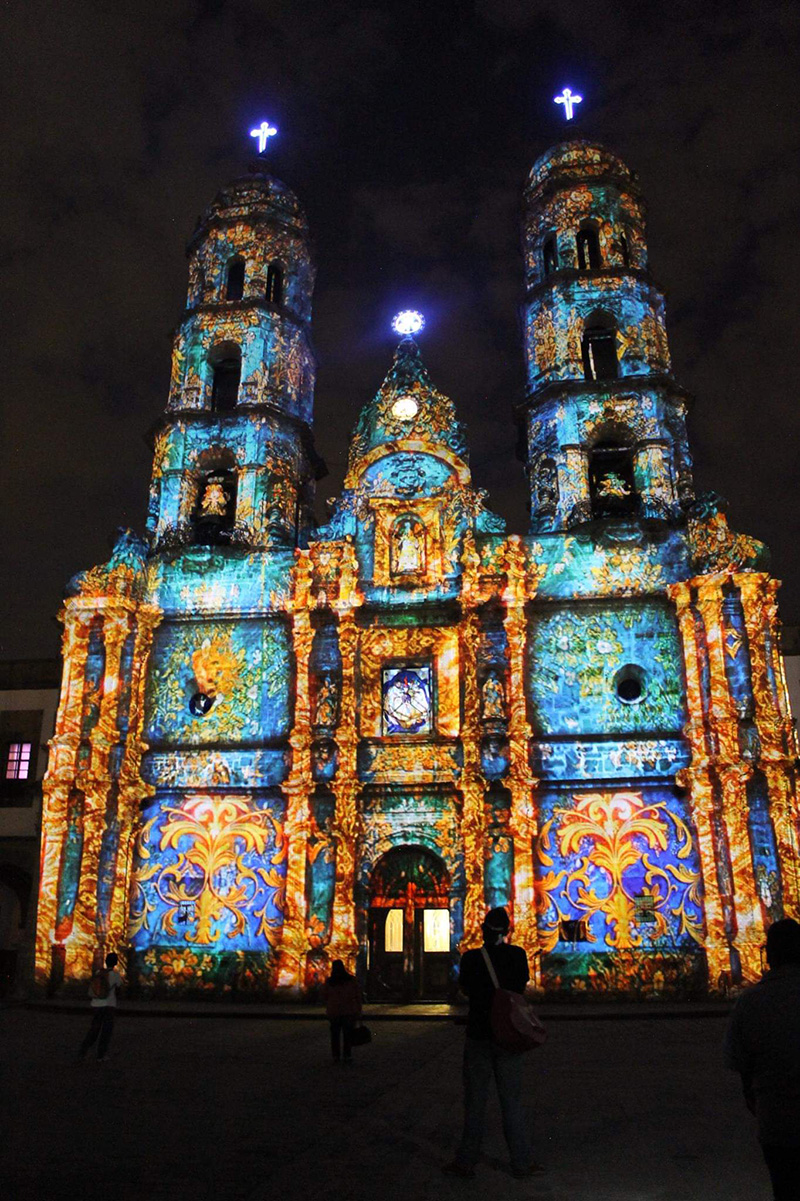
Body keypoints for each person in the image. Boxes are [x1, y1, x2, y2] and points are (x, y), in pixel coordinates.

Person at [444, 907, 543, 1180]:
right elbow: (520, 987)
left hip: (478, 1034)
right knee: (512, 1101)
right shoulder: (517, 955)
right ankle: (521, 1163)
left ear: (483, 929)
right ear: (508, 930)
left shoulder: (471, 958)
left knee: (474, 1102)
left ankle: (466, 1162)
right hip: (509, 1036)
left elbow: (464, 989)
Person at [725, 917, 800, 1200]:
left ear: (768, 955)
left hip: (776, 1119)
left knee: (785, 1187)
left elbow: (739, 1061)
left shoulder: (751, 1002)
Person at [78, 950, 123, 1062]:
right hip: (109, 1005)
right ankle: (101, 1055)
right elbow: (119, 989)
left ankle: (83, 1051)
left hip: (96, 1004)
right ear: (115, 963)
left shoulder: (99, 972)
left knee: (94, 1029)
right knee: (106, 1031)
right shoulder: (115, 975)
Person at [324, 959, 362, 1063]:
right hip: (348, 1010)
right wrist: (359, 1009)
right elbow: (357, 995)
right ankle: (347, 1055)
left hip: (334, 1010)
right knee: (347, 1034)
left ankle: (336, 1055)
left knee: (335, 1035)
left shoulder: (330, 982)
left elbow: (324, 995)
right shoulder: (351, 980)